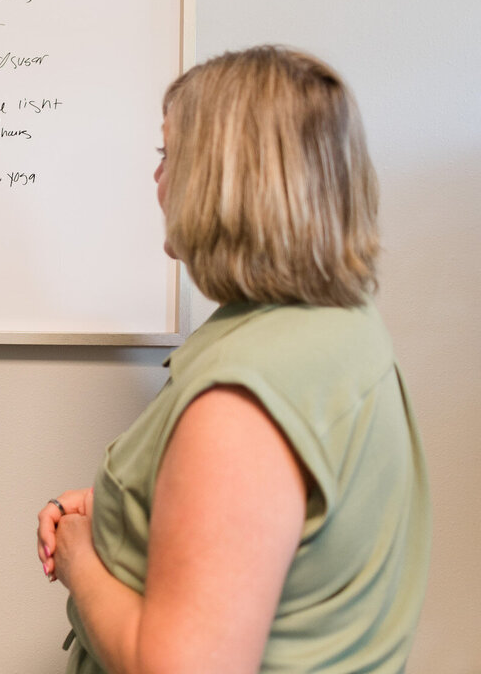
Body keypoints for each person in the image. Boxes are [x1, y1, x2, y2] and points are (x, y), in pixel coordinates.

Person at [36, 46, 430, 673]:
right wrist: (126, 507)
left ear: (221, 178)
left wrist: (81, 560)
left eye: (168, 155)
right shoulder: (336, 326)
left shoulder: (243, 401)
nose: (157, 178)